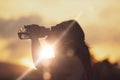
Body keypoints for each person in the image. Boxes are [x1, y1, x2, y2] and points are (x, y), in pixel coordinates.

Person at [25, 20, 92, 80]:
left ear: (69, 38)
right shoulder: (70, 59)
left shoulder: (72, 60)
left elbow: (40, 65)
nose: (53, 27)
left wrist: (34, 37)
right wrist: (34, 38)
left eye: (60, 27)